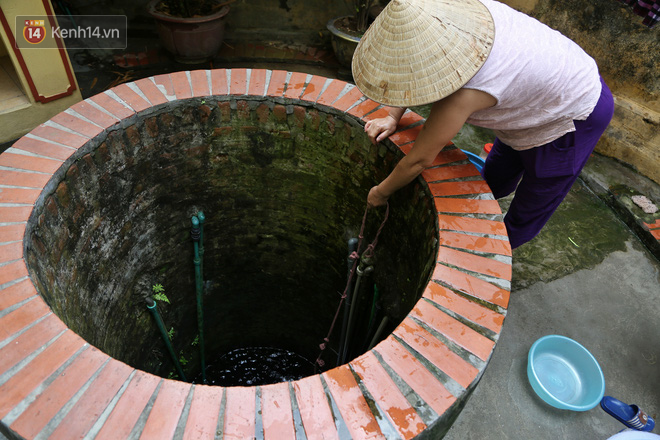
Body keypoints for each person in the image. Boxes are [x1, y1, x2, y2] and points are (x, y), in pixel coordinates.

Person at [352, 0, 614, 249]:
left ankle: (496, 253)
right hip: (532, 92)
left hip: (576, 109)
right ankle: (484, 209)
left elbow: (419, 160)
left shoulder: (466, 93)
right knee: (498, 173)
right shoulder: (456, 14)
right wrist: (392, 116)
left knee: (534, 198)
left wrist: (379, 192)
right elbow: (413, 68)